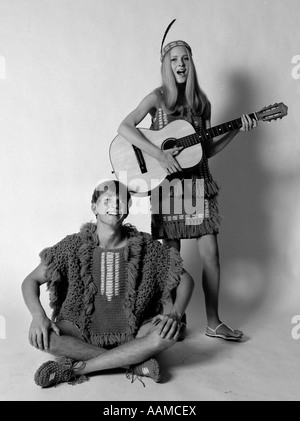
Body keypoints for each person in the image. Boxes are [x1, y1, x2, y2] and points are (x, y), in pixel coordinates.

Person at [118, 22, 258, 341]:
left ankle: (213, 320)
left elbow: (206, 150)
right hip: (169, 187)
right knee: (172, 258)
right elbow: (125, 127)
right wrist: (159, 153)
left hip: (198, 183)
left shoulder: (201, 103)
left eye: (185, 59)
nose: (180, 64)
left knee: (211, 252)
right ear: (166, 64)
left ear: (191, 64)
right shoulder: (157, 98)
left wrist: (235, 129)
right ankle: (173, 317)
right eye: (174, 59)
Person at [21, 180, 194, 388]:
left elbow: (186, 279)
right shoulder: (73, 245)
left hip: (135, 331)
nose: (115, 205)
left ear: (127, 209)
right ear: (94, 207)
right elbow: (30, 281)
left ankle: (80, 368)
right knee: (42, 337)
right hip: (81, 329)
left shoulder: (146, 246)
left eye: (121, 200)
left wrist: (175, 313)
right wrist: (38, 316)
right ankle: (132, 362)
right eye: (107, 199)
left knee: (167, 336)